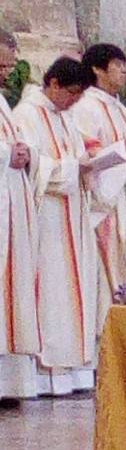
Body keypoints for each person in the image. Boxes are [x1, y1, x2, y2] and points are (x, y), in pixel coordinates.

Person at [14, 58, 98, 395]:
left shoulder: (64, 118)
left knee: (70, 291)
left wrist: (88, 167)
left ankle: (70, 372)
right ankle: (45, 373)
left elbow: (76, 157)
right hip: (46, 217)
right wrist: (69, 169)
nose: (75, 101)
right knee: (49, 291)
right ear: (53, 84)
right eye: (72, 94)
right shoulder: (26, 114)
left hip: (70, 214)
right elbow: (30, 164)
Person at [74, 44, 126, 334]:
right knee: (103, 272)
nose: (124, 71)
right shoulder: (85, 106)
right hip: (104, 203)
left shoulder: (121, 110)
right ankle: (102, 340)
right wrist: (124, 167)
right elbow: (87, 157)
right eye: (118, 65)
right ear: (97, 69)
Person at [0, 30, 40, 401]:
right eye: (0, 65)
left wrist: (25, 153)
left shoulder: (3, 103)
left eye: (9, 67)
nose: (4, 74)